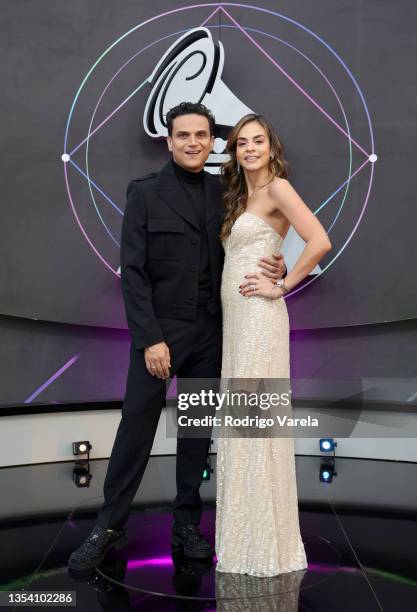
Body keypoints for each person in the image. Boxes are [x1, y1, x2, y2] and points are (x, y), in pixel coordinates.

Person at [68, 102, 287, 573]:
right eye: (183, 135)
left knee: (194, 434)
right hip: (159, 336)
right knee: (136, 430)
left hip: (211, 334)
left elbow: (253, 242)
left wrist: (279, 265)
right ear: (169, 142)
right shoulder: (144, 193)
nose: (192, 142)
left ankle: (187, 524)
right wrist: (150, 339)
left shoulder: (225, 192)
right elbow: (134, 273)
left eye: (201, 135)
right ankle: (108, 527)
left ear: (212, 142)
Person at [215, 113, 332, 576]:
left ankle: (266, 544)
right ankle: (245, 537)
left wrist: (283, 285)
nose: (249, 149)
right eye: (241, 142)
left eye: (257, 141)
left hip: (260, 319)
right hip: (236, 320)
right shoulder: (242, 194)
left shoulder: (278, 187)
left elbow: (319, 240)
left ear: (270, 146)